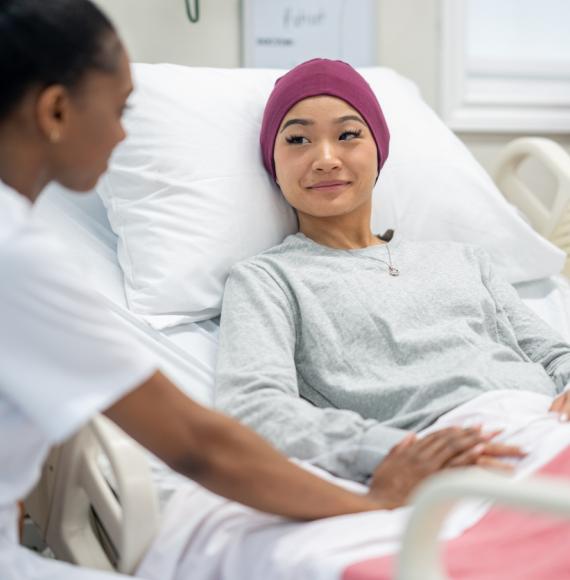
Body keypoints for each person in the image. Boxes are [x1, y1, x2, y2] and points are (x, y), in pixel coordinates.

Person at [0, 3, 498, 579]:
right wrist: (368, 505)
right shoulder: (22, 259)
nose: (122, 134)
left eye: (348, 134)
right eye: (119, 109)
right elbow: (198, 443)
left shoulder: (461, 260)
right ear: (56, 111)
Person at [215, 58, 570, 483]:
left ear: (378, 150)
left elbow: (552, 355)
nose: (326, 158)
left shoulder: (464, 259)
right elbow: (255, 407)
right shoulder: (269, 280)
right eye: (298, 139)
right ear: (273, 163)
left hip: (550, 424)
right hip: (450, 456)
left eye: (348, 135)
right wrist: (389, 451)